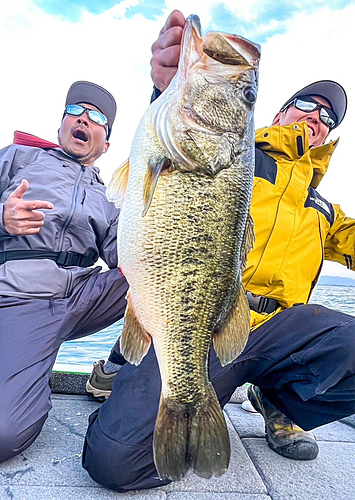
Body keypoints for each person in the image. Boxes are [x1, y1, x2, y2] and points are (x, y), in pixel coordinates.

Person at [82, 10, 355, 493]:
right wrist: (166, 87)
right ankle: (140, 376)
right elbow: (165, 155)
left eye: (328, 116)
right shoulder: (236, 154)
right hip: (207, 323)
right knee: (113, 463)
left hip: (279, 332)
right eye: (306, 104)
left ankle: (281, 402)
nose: (316, 116)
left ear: (329, 135)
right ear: (276, 114)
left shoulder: (328, 210)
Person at [0, 81, 129, 463]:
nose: (85, 118)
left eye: (98, 117)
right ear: (61, 125)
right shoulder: (18, 158)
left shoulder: (110, 196)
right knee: (6, 434)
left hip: (80, 295)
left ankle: (116, 370)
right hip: (21, 297)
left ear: (105, 144)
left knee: (160, 275)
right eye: (77, 110)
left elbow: (124, 253)